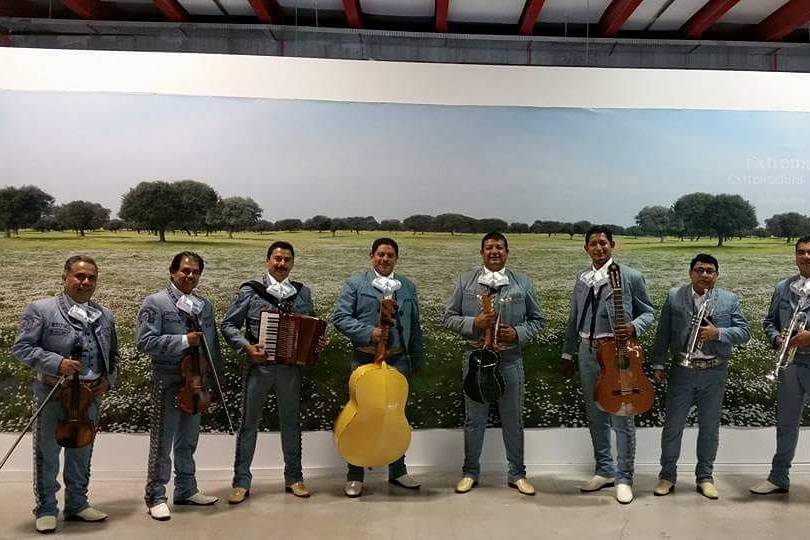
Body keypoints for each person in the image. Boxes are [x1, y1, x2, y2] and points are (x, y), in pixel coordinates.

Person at [12, 255, 119, 534]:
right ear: (65, 278)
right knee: (47, 453)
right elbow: (23, 348)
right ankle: (46, 508)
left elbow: (113, 355)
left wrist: (109, 379)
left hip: (90, 397)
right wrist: (57, 363)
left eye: (91, 277)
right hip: (53, 394)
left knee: (82, 451)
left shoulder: (104, 314)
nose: (85, 282)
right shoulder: (41, 309)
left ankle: (78, 505)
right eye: (79, 276)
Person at [221, 241, 327, 504]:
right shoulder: (250, 291)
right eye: (277, 259)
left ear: (292, 263)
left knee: (291, 423)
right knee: (249, 424)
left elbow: (311, 326)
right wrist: (247, 347)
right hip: (259, 366)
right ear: (268, 260)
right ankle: (241, 482)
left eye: (287, 260)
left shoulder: (302, 293)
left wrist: (317, 341)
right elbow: (228, 325)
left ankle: (294, 478)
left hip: (289, 370)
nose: (281, 264)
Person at [442, 232, 545, 496]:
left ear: (507, 252)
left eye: (499, 247)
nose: (494, 252)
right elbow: (448, 317)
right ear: (481, 253)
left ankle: (517, 474)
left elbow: (538, 320)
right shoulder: (466, 281)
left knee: (513, 419)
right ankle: (470, 472)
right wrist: (473, 324)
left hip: (510, 360)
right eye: (489, 248)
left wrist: (519, 333)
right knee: (474, 420)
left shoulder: (522, 282)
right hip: (475, 360)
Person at [560, 225, 655, 504]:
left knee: (622, 414)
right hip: (586, 351)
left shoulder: (630, 276)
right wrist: (568, 354)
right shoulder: (582, 278)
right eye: (593, 244)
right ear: (586, 248)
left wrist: (633, 326)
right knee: (596, 413)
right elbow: (573, 318)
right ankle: (605, 470)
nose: (599, 248)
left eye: (603, 243)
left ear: (612, 245)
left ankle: (625, 477)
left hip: (617, 352)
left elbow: (648, 312)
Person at [331, 237, 424, 498]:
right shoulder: (355, 283)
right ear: (371, 256)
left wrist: (417, 358)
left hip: (398, 360)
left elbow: (414, 325)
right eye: (380, 254)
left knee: (395, 415)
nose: (385, 259)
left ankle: (398, 470)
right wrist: (368, 332)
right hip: (365, 361)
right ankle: (355, 474)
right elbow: (340, 318)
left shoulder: (407, 286)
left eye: (390, 255)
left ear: (396, 258)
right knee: (361, 416)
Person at [652, 254, 750, 499]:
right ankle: (667, 476)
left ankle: (705, 477)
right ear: (690, 273)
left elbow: (745, 332)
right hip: (682, 371)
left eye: (710, 271)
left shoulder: (729, 299)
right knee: (673, 427)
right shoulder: (675, 296)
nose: (705, 274)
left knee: (709, 428)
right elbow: (662, 332)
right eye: (699, 270)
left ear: (717, 275)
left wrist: (718, 333)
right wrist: (658, 363)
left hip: (714, 372)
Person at [137, 251, 222, 521]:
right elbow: (145, 343)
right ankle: (156, 496)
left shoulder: (203, 305)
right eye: (185, 270)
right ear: (173, 272)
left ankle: (186, 489)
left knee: (188, 441)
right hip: (168, 379)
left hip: (196, 381)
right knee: (162, 442)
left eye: (195, 272)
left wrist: (213, 380)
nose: (190, 276)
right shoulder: (156, 303)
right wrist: (184, 341)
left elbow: (212, 344)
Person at [751, 236, 810, 496]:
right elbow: (769, 321)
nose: (806, 256)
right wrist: (776, 338)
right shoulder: (784, 287)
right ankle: (778, 477)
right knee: (786, 423)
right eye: (801, 252)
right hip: (791, 364)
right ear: (795, 256)